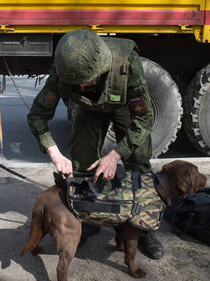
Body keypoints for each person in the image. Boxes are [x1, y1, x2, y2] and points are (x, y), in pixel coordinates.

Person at [27, 29, 164, 259]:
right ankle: (88, 216)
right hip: (88, 109)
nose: (80, 87)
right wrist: (55, 153)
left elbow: (144, 118)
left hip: (122, 107)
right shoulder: (63, 70)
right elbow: (37, 116)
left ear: (101, 70)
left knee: (139, 159)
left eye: (86, 81)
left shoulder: (127, 63)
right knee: (81, 157)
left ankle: (144, 226)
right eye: (75, 83)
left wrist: (116, 155)